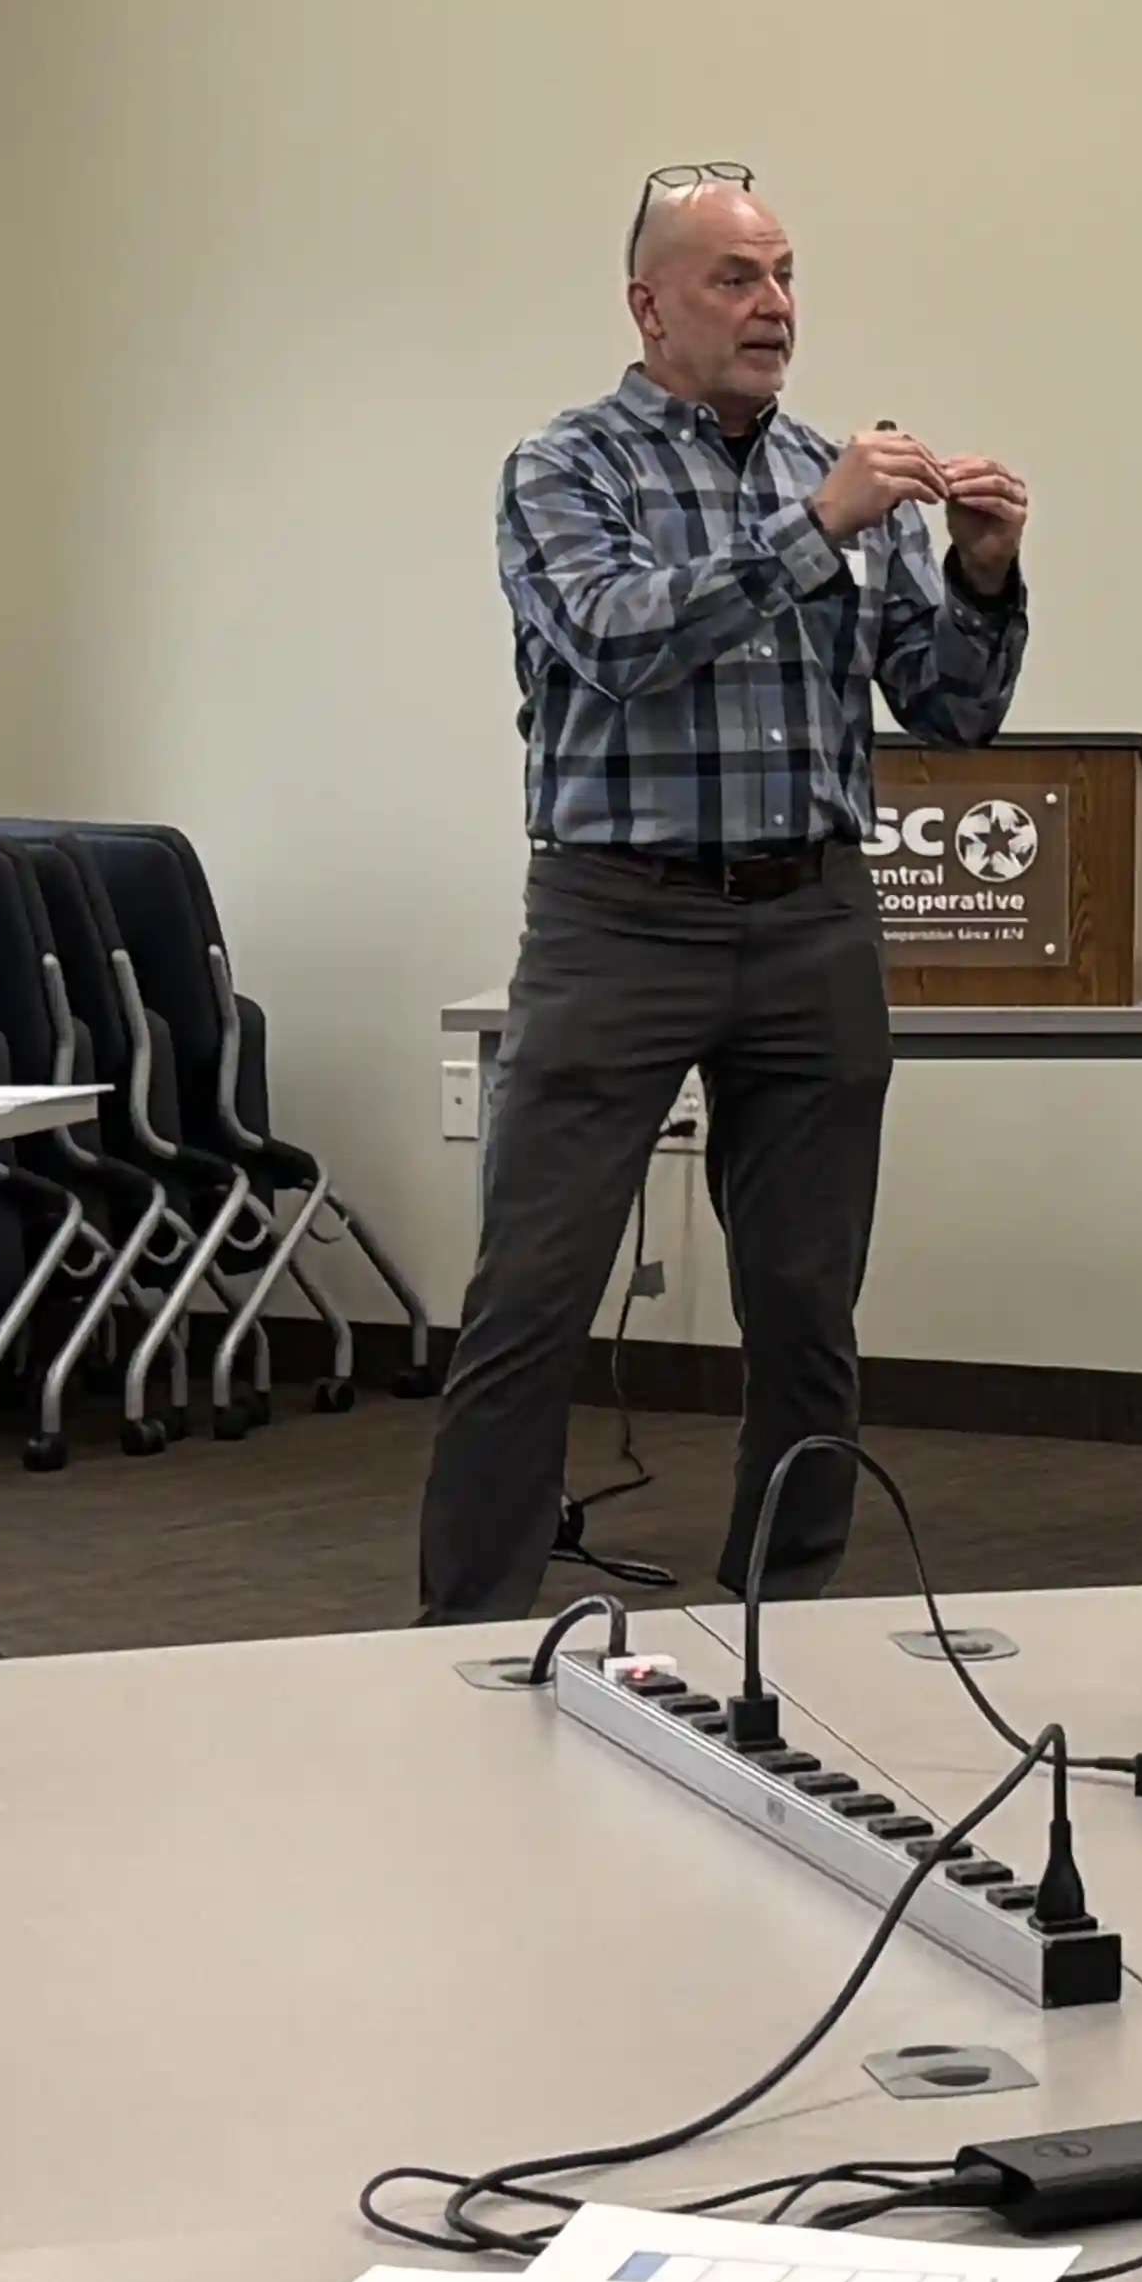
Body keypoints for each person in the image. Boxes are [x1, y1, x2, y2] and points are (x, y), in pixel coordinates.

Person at [413, 168, 1028, 1625]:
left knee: (809, 1303)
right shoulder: (568, 467)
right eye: (736, 279)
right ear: (649, 305)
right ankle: (469, 1629)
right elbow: (617, 638)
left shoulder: (839, 476)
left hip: (813, 918)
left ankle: (783, 1612)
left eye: (786, 276)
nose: (775, 307)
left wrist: (983, 580)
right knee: (533, 1291)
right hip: (617, 922)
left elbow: (949, 712)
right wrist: (819, 525)